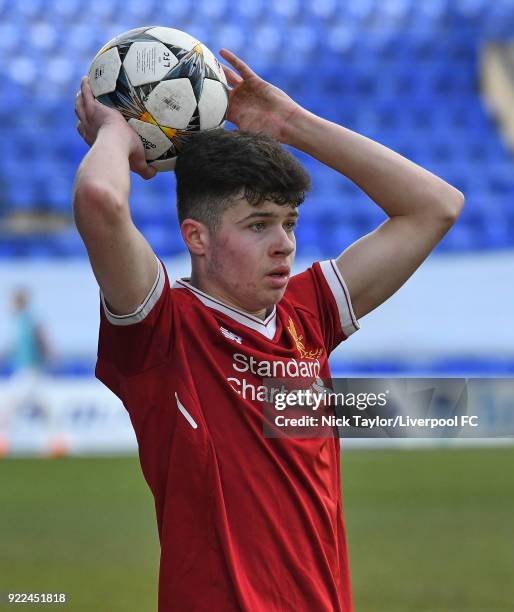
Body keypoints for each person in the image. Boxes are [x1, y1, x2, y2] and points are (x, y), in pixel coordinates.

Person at [73, 48, 464, 611]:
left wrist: (292, 125)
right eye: (258, 225)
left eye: (289, 223)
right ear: (196, 237)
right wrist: (116, 128)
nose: (283, 243)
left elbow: (437, 207)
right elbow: (100, 200)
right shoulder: (163, 329)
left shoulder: (309, 314)